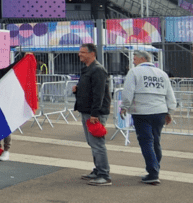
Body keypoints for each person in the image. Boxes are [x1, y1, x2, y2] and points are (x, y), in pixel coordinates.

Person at [119, 50, 177, 185]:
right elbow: (170, 95)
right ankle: (155, 168)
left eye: (134, 58)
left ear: (142, 59)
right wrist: (170, 112)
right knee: (156, 141)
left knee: (146, 141)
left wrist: (124, 106)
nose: (133, 61)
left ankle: (153, 172)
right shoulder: (162, 74)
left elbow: (128, 92)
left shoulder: (134, 72)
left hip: (141, 111)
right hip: (160, 112)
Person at [73, 43, 112, 186]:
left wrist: (95, 114)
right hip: (88, 111)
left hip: (94, 114)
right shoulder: (89, 69)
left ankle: (104, 175)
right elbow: (91, 90)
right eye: (80, 52)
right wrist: (77, 90)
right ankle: (98, 170)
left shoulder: (97, 70)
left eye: (83, 52)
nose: (80, 54)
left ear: (92, 54)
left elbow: (99, 93)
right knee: (92, 143)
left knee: (97, 144)